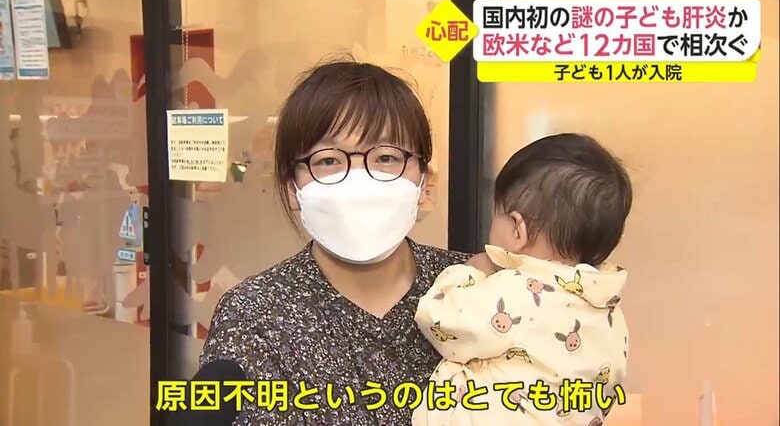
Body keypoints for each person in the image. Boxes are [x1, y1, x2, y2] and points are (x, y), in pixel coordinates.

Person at [200, 58, 470, 424]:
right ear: (292, 188)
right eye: (328, 161)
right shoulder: (255, 313)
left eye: (386, 157)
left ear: (425, 182)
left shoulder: (474, 286)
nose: (358, 181)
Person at [413, 133, 632, 425]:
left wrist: (469, 271)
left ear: (517, 229)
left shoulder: (517, 290)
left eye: (496, 215)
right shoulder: (610, 312)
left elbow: (440, 320)